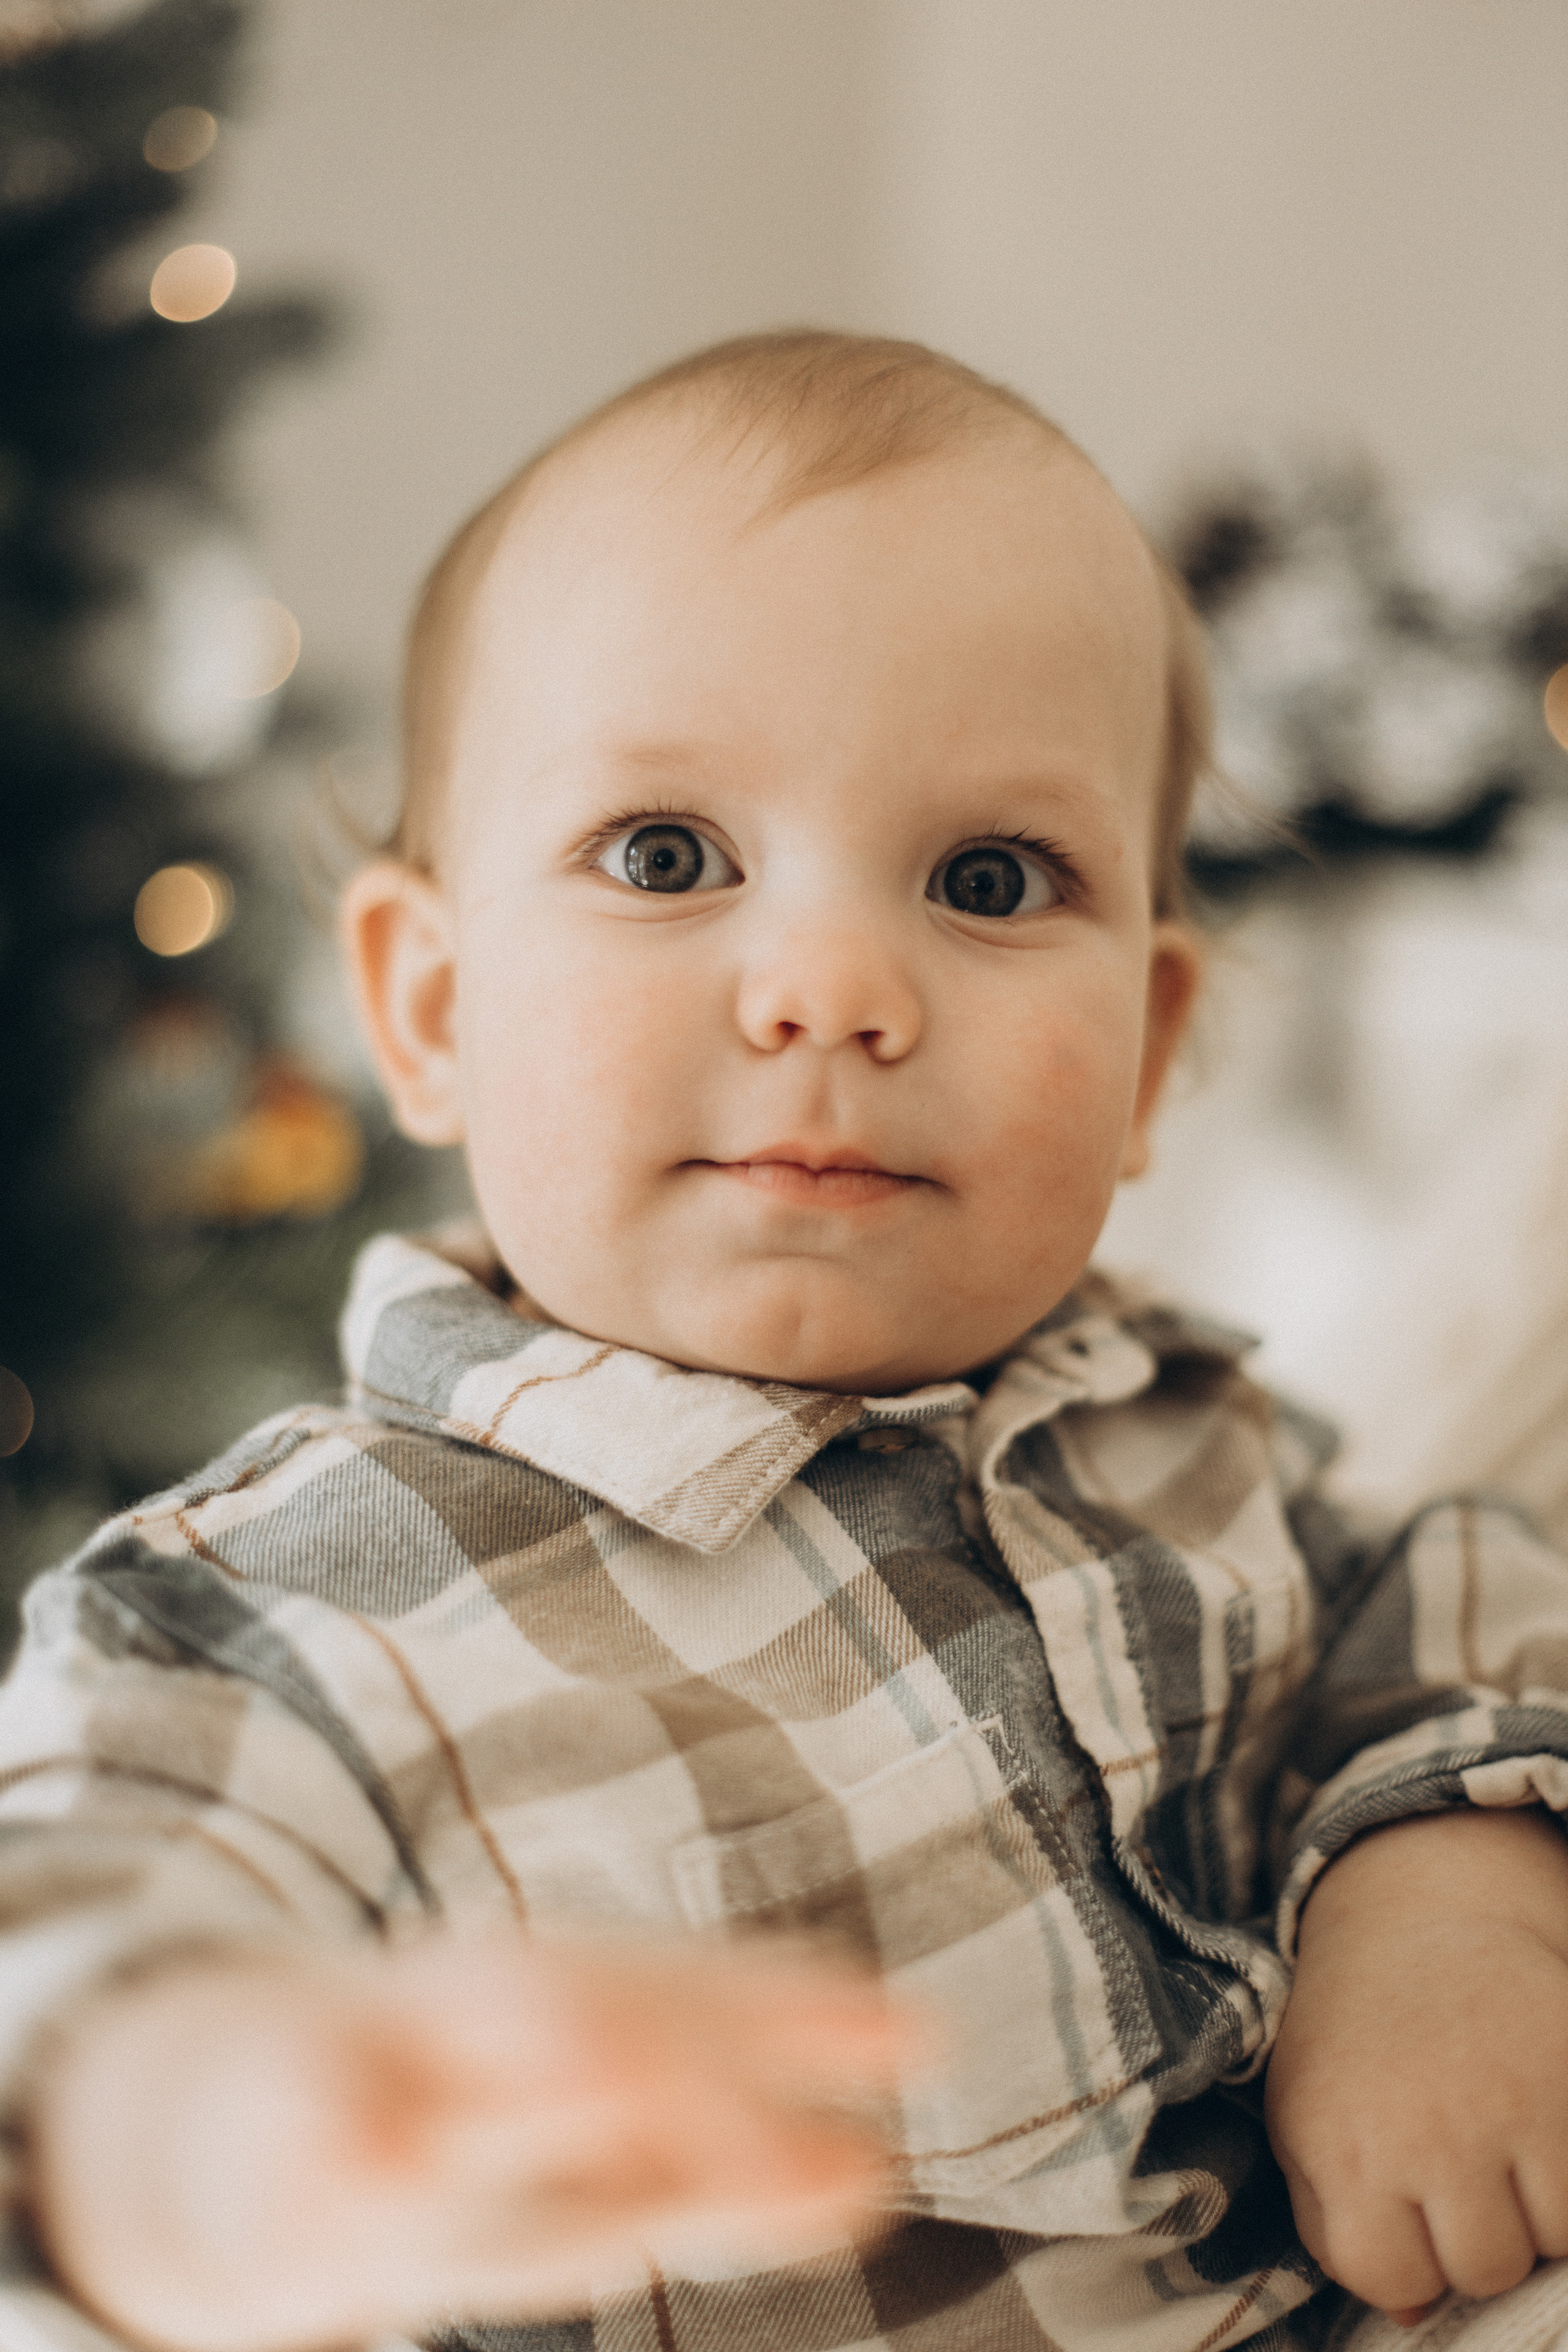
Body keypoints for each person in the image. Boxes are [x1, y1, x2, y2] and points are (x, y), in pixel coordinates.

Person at [7, 330, 1568, 2352]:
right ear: (424, 1004)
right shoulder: (288, 1609)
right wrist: (223, 2129)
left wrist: (1442, 1888)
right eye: (666, 857)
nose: (833, 988)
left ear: (1153, 1048)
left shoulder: (1175, 1424)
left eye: (989, 880)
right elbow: (68, 1922)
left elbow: (1441, 1597)